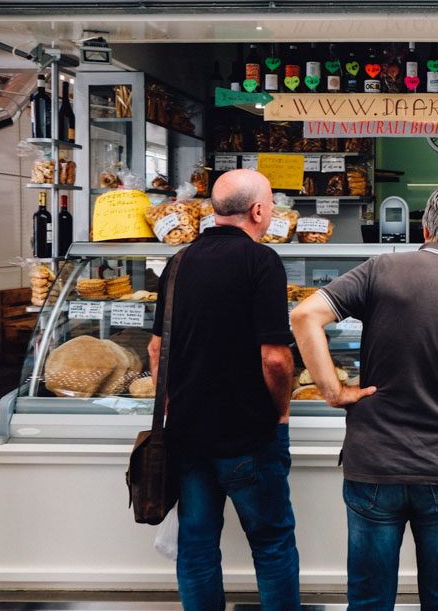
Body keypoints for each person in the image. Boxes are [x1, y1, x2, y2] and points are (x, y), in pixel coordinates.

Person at [291, 184, 438, 610]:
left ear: (426, 227)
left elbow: (304, 315)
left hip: (373, 465)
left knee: (370, 600)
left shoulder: (381, 269)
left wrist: (334, 392)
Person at [149, 169, 300, 611]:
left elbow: (157, 350)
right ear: (257, 211)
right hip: (248, 436)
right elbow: (275, 357)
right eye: (270, 203)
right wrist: (281, 413)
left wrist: (175, 406)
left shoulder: (178, 263)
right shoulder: (262, 262)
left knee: (196, 548)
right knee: (271, 546)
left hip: (189, 436)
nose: (271, 210)